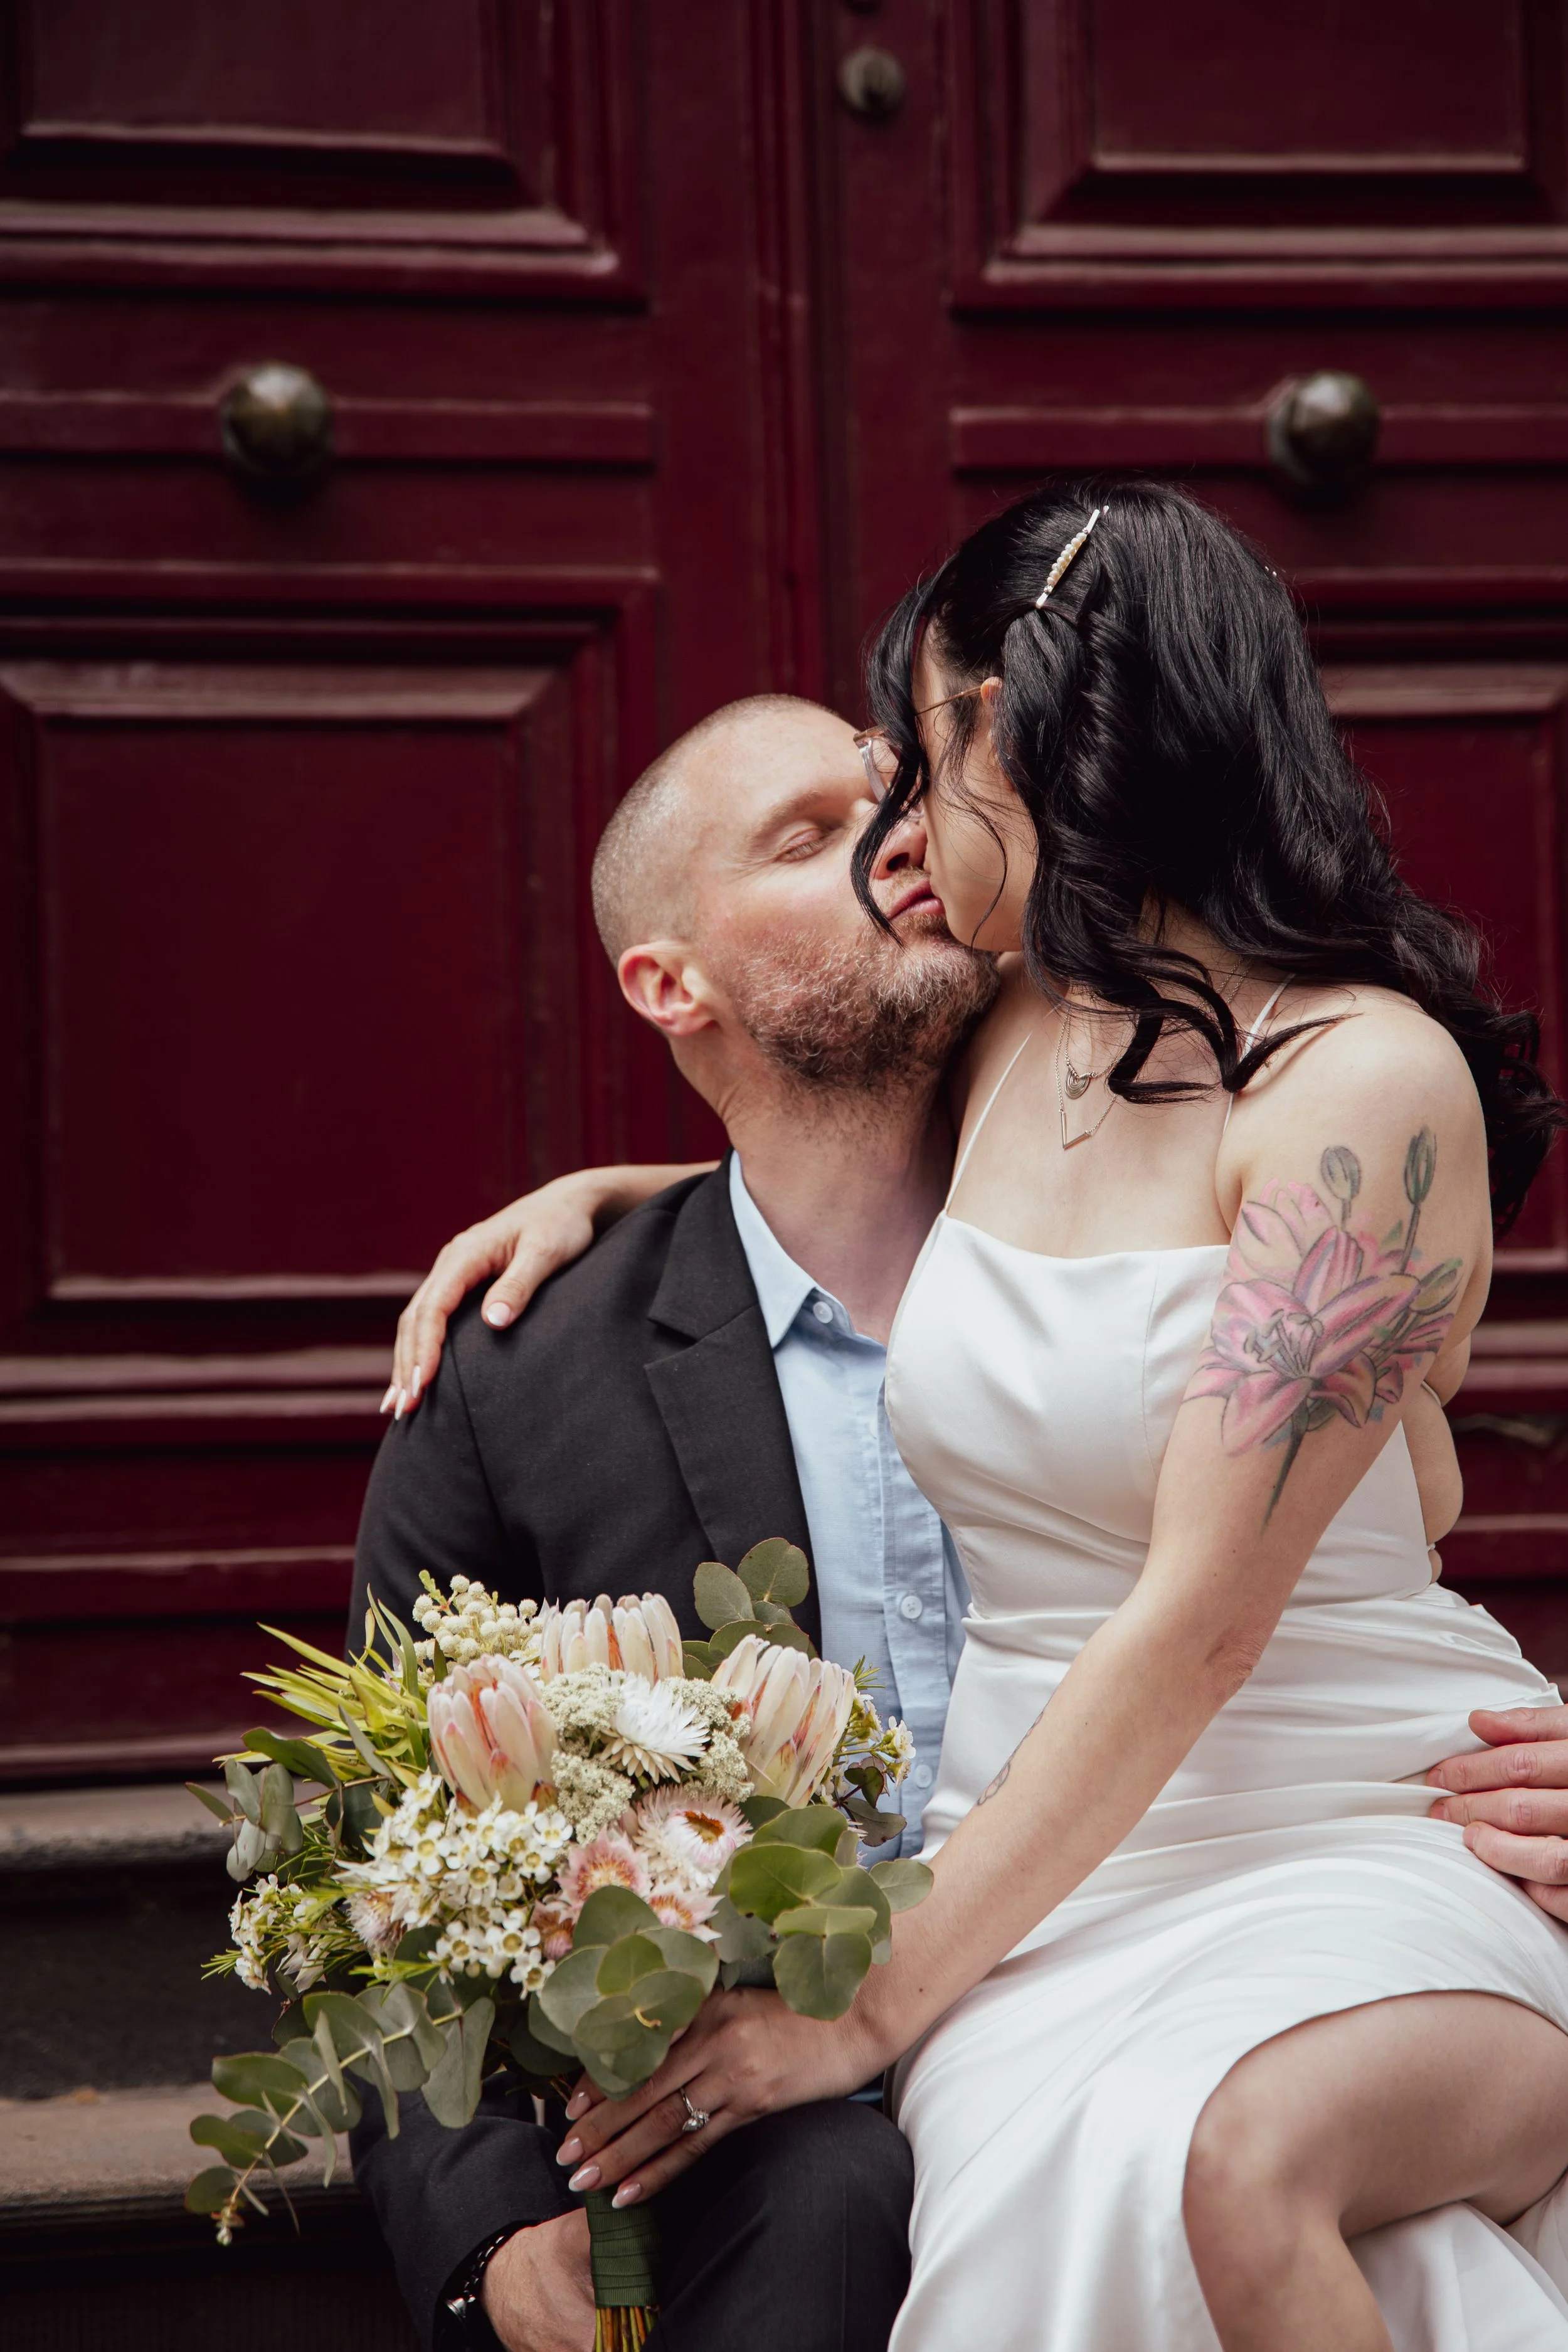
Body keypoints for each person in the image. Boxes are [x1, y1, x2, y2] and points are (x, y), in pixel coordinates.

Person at [404, 484, 1568, 2350]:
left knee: (1215, 2161)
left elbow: (1198, 1613)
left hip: (1346, 1818)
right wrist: (626, 1201)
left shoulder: (1361, 1084)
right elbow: (833, 1130)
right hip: (1051, 1892)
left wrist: (863, 2008)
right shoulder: (1022, 1023)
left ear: (1010, 735)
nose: (895, 821)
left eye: (913, 753)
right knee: (1083, 2186)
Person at [348, 695, 998, 2351]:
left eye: (897, 795)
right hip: (741, 2103)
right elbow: (382, 1868)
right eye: (807, 833)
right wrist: (485, 2229)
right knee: (824, 2194)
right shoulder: (514, 1373)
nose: (899, 834)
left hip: (1110, 1991)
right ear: (664, 982)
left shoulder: (1127, 1293)